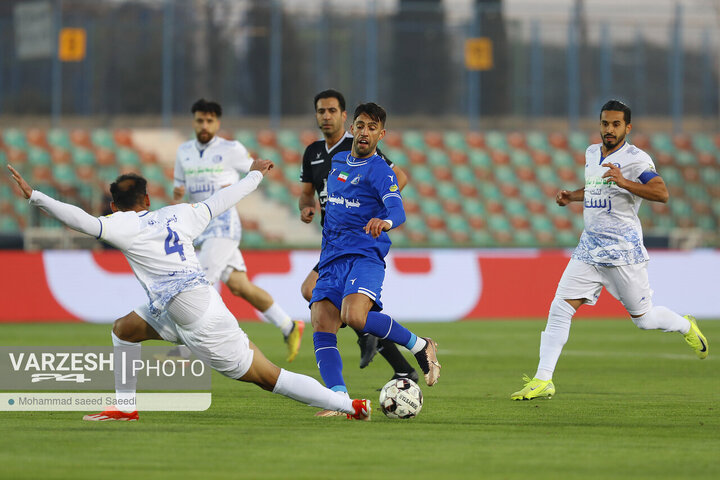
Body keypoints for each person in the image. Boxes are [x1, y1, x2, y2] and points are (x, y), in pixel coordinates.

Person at [7, 163, 371, 421]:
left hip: (198, 315)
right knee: (123, 330)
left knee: (268, 377)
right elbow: (222, 200)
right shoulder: (180, 213)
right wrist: (256, 174)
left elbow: (80, 221)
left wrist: (37, 196)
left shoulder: (120, 224)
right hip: (172, 307)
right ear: (148, 199)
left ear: (114, 205)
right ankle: (123, 406)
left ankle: (348, 405)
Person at [510, 100, 709, 401]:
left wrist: (625, 181)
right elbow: (597, 188)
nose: (609, 130)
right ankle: (543, 379)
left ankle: (685, 325)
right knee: (560, 307)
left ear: (628, 128)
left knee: (643, 319)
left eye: (616, 124)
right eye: (605, 123)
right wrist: (573, 196)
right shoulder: (592, 153)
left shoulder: (636, 160)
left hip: (622, 253)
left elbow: (662, 193)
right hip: (589, 249)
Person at [309, 102, 440, 416]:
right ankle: (340, 400)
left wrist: (386, 222)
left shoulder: (381, 170)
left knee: (354, 316)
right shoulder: (338, 160)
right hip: (331, 258)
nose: (364, 132)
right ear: (352, 128)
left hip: (364, 255)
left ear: (382, 134)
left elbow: (397, 208)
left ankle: (420, 345)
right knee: (322, 322)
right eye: (361, 125)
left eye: (372, 128)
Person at [299, 89, 418, 383]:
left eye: (331, 110)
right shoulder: (314, 153)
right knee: (312, 294)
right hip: (333, 241)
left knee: (337, 307)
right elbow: (306, 194)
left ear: (343, 117)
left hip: (357, 239)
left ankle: (376, 339)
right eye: (320, 111)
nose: (326, 116)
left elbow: (397, 178)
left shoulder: (361, 145)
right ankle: (383, 351)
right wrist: (307, 208)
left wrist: (372, 210)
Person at [172, 99, 303, 362]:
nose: (205, 125)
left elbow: (255, 169)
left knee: (200, 283)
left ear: (218, 123)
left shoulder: (231, 149)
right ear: (194, 121)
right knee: (240, 286)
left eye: (210, 120)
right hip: (200, 226)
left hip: (223, 226)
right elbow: (178, 190)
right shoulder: (183, 152)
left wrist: (263, 166)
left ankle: (186, 348)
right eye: (200, 120)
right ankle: (289, 325)